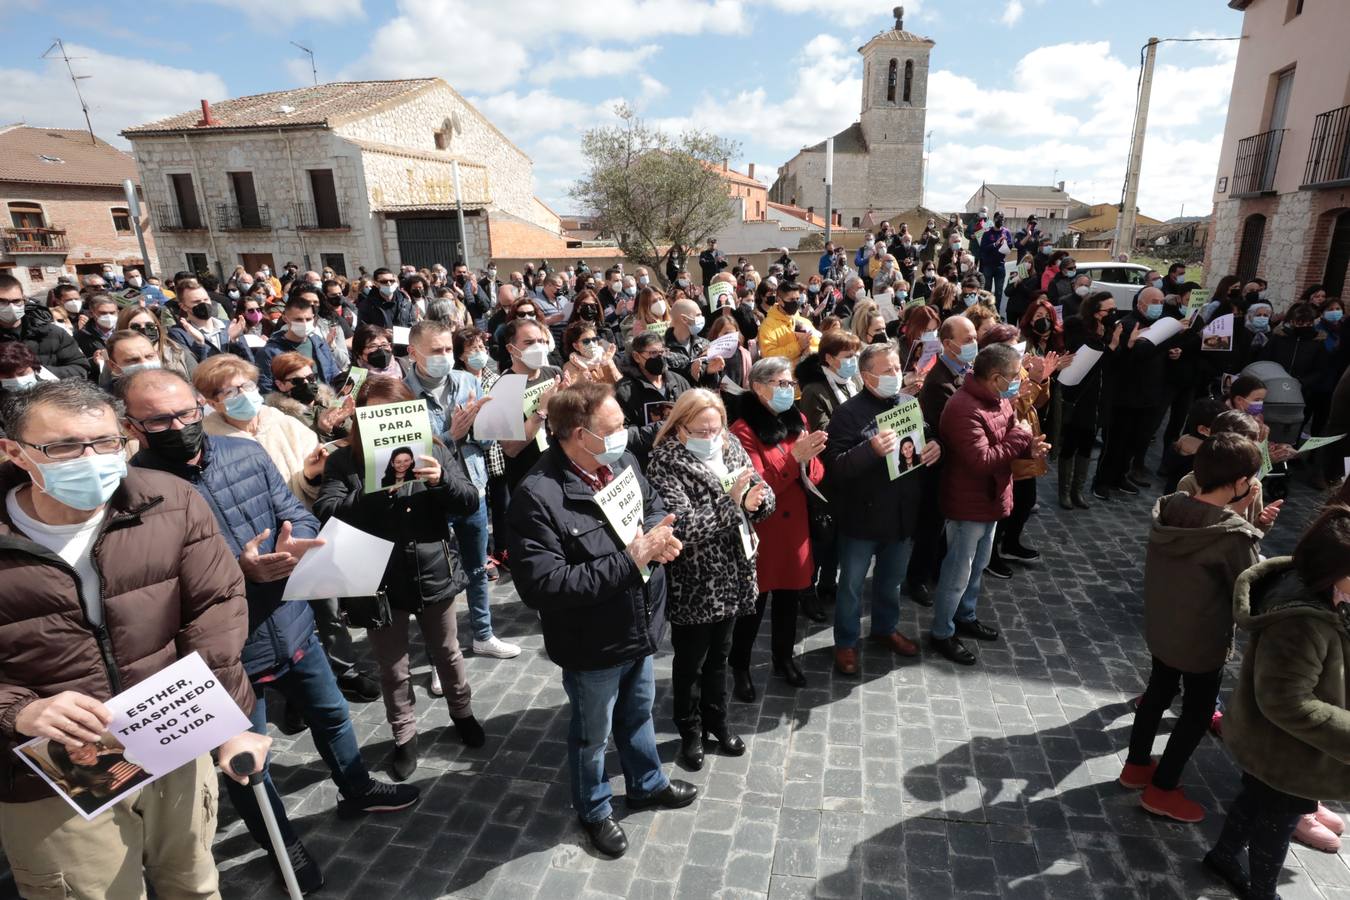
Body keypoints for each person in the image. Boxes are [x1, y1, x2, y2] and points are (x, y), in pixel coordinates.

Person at [121, 369, 418, 893]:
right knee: (246, 762)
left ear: (197, 406)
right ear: (134, 426)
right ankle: (282, 843)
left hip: (291, 625)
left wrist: (297, 544)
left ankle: (357, 787)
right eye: (159, 420)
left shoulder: (245, 454)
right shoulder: (132, 494)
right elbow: (149, 591)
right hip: (222, 656)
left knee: (333, 716)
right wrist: (242, 570)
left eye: (184, 413)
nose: (178, 426)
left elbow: (292, 515)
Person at [0, 379, 269, 899]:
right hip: (51, 772)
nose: (90, 459)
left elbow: (213, 612)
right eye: (63, 447)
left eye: (104, 443)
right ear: (14, 451)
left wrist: (226, 719)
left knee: (193, 884)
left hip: (171, 738)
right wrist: (16, 711)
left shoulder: (169, 500)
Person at [507, 381, 697, 858]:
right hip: (592, 642)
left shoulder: (623, 463)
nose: (624, 437)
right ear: (576, 435)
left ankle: (646, 783)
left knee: (638, 713)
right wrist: (632, 560)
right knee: (592, 734)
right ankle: (593, 809)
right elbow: (544, 586)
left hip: (640, 623)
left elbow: (651, 505)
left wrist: (660, 536)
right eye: (612, 430)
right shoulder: (538, 496)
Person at [315, 376, 485, 780]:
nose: (382, 421)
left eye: (391, 413)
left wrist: (440, 481)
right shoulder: (344, 460)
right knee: (393, 667)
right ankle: (404, 737)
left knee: (448, 652)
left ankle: (462, 713)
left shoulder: (434, 450)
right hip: (376, 579)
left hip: (432, 569)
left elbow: (468, 499)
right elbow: (328, 510)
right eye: (373, 414)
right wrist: (377, 489)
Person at [1205, 504, 1350, 899]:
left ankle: (1222, 855)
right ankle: (1263, 890)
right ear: (1334, 570)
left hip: (1280, 746)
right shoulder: (1301, 622)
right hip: (1288, 752)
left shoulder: (1327, 596)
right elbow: (1286, 700)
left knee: (1254, 802)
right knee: (1277, 823)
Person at [1118, 434, 1264, 824]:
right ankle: (1163, 788)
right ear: (1238, 483)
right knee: (1198, 713)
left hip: (1164, 627)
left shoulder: (1170, 509)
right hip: (1202, 638)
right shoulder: (1232, 534)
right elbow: (1248, 587)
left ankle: (1135, 765)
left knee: (1157, 693)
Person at [647, 389, 773, 770]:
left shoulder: (731, 444)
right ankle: (689, 729)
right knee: (691, 661)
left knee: (721, 654)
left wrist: (758, 501)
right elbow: (679, 526)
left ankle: (717, 720)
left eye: (714, 429)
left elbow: (760, 492)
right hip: (696, 581)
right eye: (700, 431)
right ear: (680, 427)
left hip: (735, 572)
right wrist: (732, 502)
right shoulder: (664, 463)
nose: (710, 437)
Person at [403, 320, 519, 660]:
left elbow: (487, 440)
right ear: (413, 353)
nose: (445, 357)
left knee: (476, 567)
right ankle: (444, 653)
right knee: (436, 580)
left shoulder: (468, 381)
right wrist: (452, 434)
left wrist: (476, 427)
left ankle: (483, 634)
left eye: (448, 350)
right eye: (435, 351)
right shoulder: (402, 393)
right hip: (429, 497)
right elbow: (410, 455)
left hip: (472, 488)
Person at [822, 343, 938, 675]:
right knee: (852, 587)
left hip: (901, 516)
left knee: (890, 583)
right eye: (887, 371)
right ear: (866, 375)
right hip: (861, 519)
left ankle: (885, 629)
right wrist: (870, 449)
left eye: (897, 368)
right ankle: (845, 642)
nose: (895, 375)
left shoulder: (908, 402)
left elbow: (924, 437)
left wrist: (934, 447)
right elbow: (835, 468)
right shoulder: (848, 414)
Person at [930, 344, 1047, 666]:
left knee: (978, 567)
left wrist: (1029, 447)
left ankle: (964, 616)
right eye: (1013, 376)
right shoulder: (962, 408)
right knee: (957, 572)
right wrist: (1021, 439)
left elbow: (1008, 438)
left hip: (992, 497)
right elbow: (981, 460)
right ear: (995, 378)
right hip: (968, 503)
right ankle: (942, 631)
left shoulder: (998, 400)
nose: (1016, 382)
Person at [728, 356, 829, 692]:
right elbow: (757, 483)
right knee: (753, 607)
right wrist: (795, 459)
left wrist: (810, 465)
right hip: (763, 532)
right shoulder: (741, 431)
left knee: (788, 601)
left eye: (790, 384)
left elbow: (815, 469)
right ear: (759, 387)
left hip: (795, 528)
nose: (789, 389)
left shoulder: (796, 418)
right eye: (782, 384)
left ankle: (783, 657)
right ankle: (739, 665)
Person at [1059, 293, 1117, 509]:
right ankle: (1064, 491)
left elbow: (1112, 366)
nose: (1112, 314)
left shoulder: (1110, 330)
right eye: (1108, 311)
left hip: (1100, 398)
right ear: (1095, 312)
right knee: (1071, 443)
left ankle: (1078, 490)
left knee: (1087, 444)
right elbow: (1085, 359)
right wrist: (1106, 345)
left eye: (1114, 310)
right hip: (1081, 395)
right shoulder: (1077, 328)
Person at [0, 274, 90, 381]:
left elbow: (80, 368)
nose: (11, 307)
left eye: (16, 301)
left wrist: (38, 372)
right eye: (2, 302)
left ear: (24, 300)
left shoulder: (52, 332)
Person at [257, 292, 340, 393]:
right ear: (285, 319)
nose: (304, 324)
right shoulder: (269, 352)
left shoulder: (319, 343)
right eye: (298, 319)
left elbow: (333, 375)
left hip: (326, 403)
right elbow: (266, 390)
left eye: (308, 319)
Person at [757, 281, 819, 365]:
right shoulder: (768, 326)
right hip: (785, 376)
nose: (796, 302)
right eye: (791, 299)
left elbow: (818, 345)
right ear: (779, 300)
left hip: (807, 375)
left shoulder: (804, 322)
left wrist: (810, 350)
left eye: (797, 299)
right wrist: (798, 346)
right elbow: (768, 356)